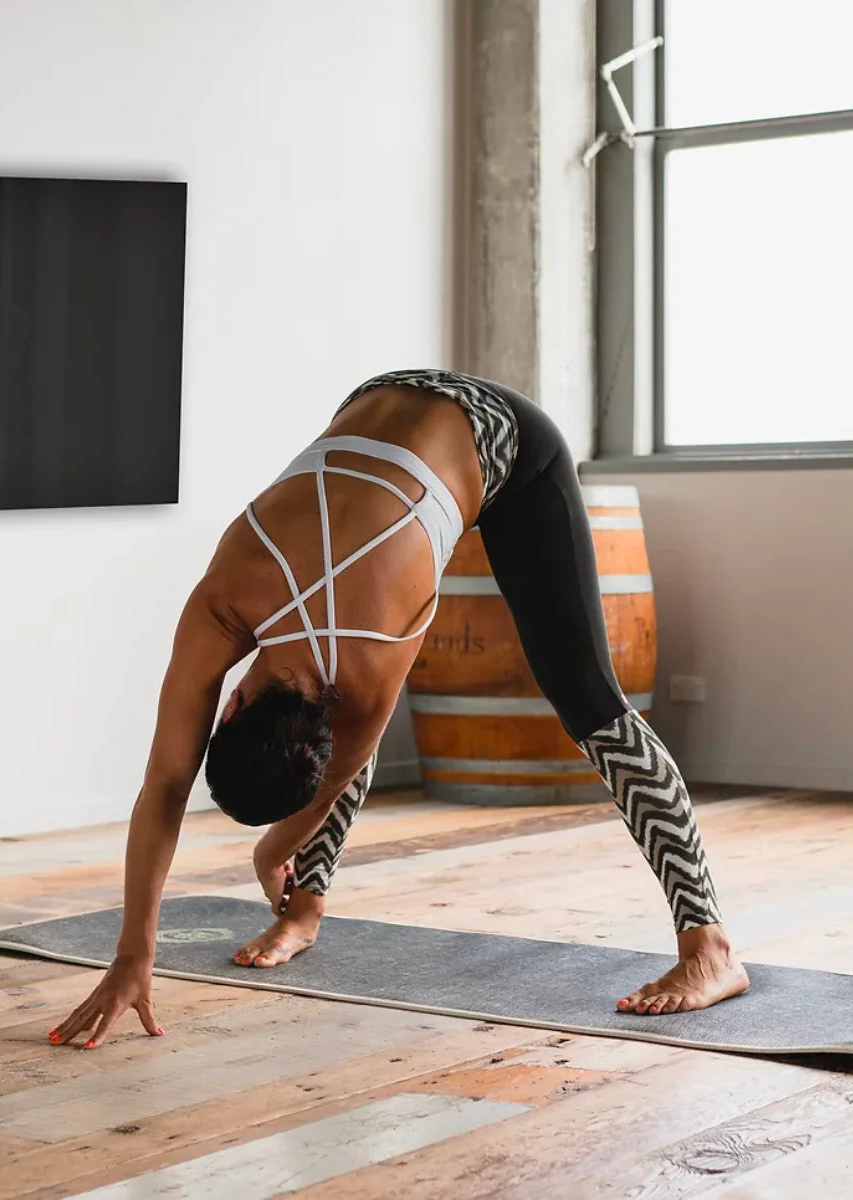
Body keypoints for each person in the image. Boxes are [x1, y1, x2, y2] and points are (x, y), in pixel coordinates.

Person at [50, 369, 749, 1050]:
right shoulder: (227, 599)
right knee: (353, 726)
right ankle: (305, 913)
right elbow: (171, 785)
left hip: (508, 441)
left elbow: (313, 779)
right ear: (231, 708)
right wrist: (131, 957)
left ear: (229, 702)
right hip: (387, 396)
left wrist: (272, 850)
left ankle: (710, 946)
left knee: (592, 703)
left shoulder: (373, 649)